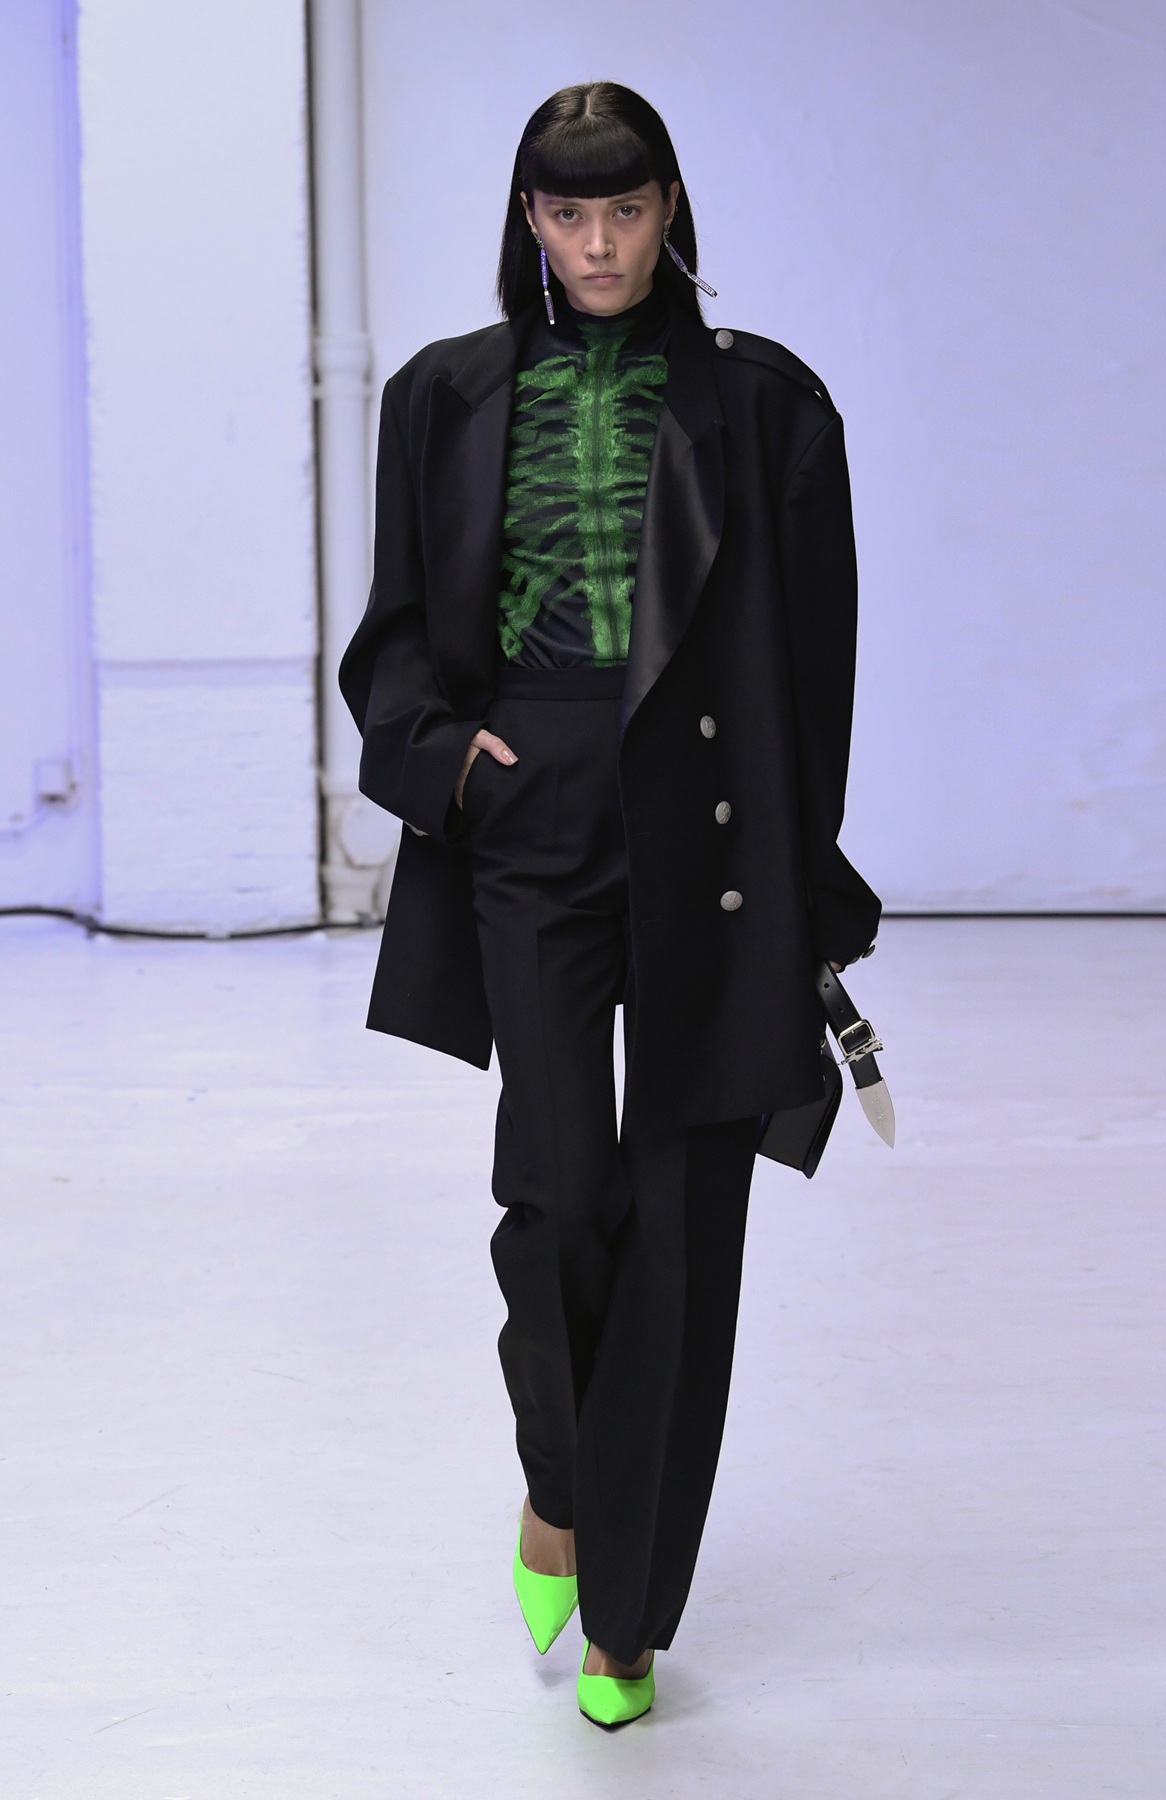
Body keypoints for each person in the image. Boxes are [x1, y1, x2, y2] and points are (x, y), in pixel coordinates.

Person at [339, 81, 880, 1729]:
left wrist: (805, 887)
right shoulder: (442, 395)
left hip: (713, 829)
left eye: (625, 211)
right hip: (531, 807)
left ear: (670, 211)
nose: (598, 244)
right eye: (569, 215)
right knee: (562, 1192)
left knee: (685, 1226)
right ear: (530, 220)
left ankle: (630, 1618)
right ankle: (565, 1487)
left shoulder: (768, 404)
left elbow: (819, 672)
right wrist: (451, 765)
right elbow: (395, 633)